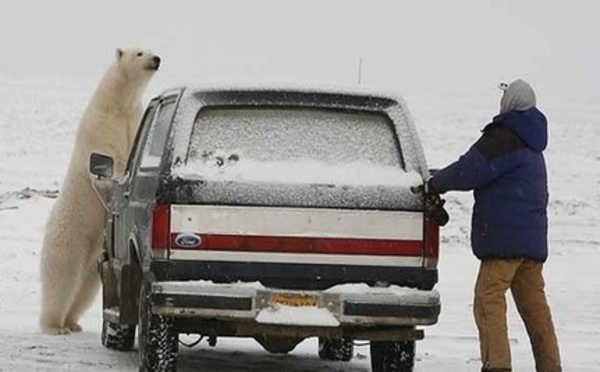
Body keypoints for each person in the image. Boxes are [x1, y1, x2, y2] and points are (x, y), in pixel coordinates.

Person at [428, 79, 562, 372]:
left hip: (504, 243)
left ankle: (497, 366)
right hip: (531, 245)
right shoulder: (533, 141)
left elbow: (468, 170)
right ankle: (551, 367)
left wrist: (435, 183)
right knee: (535, 309)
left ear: (510, 102)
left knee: (488, 299)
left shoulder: (503, 136)